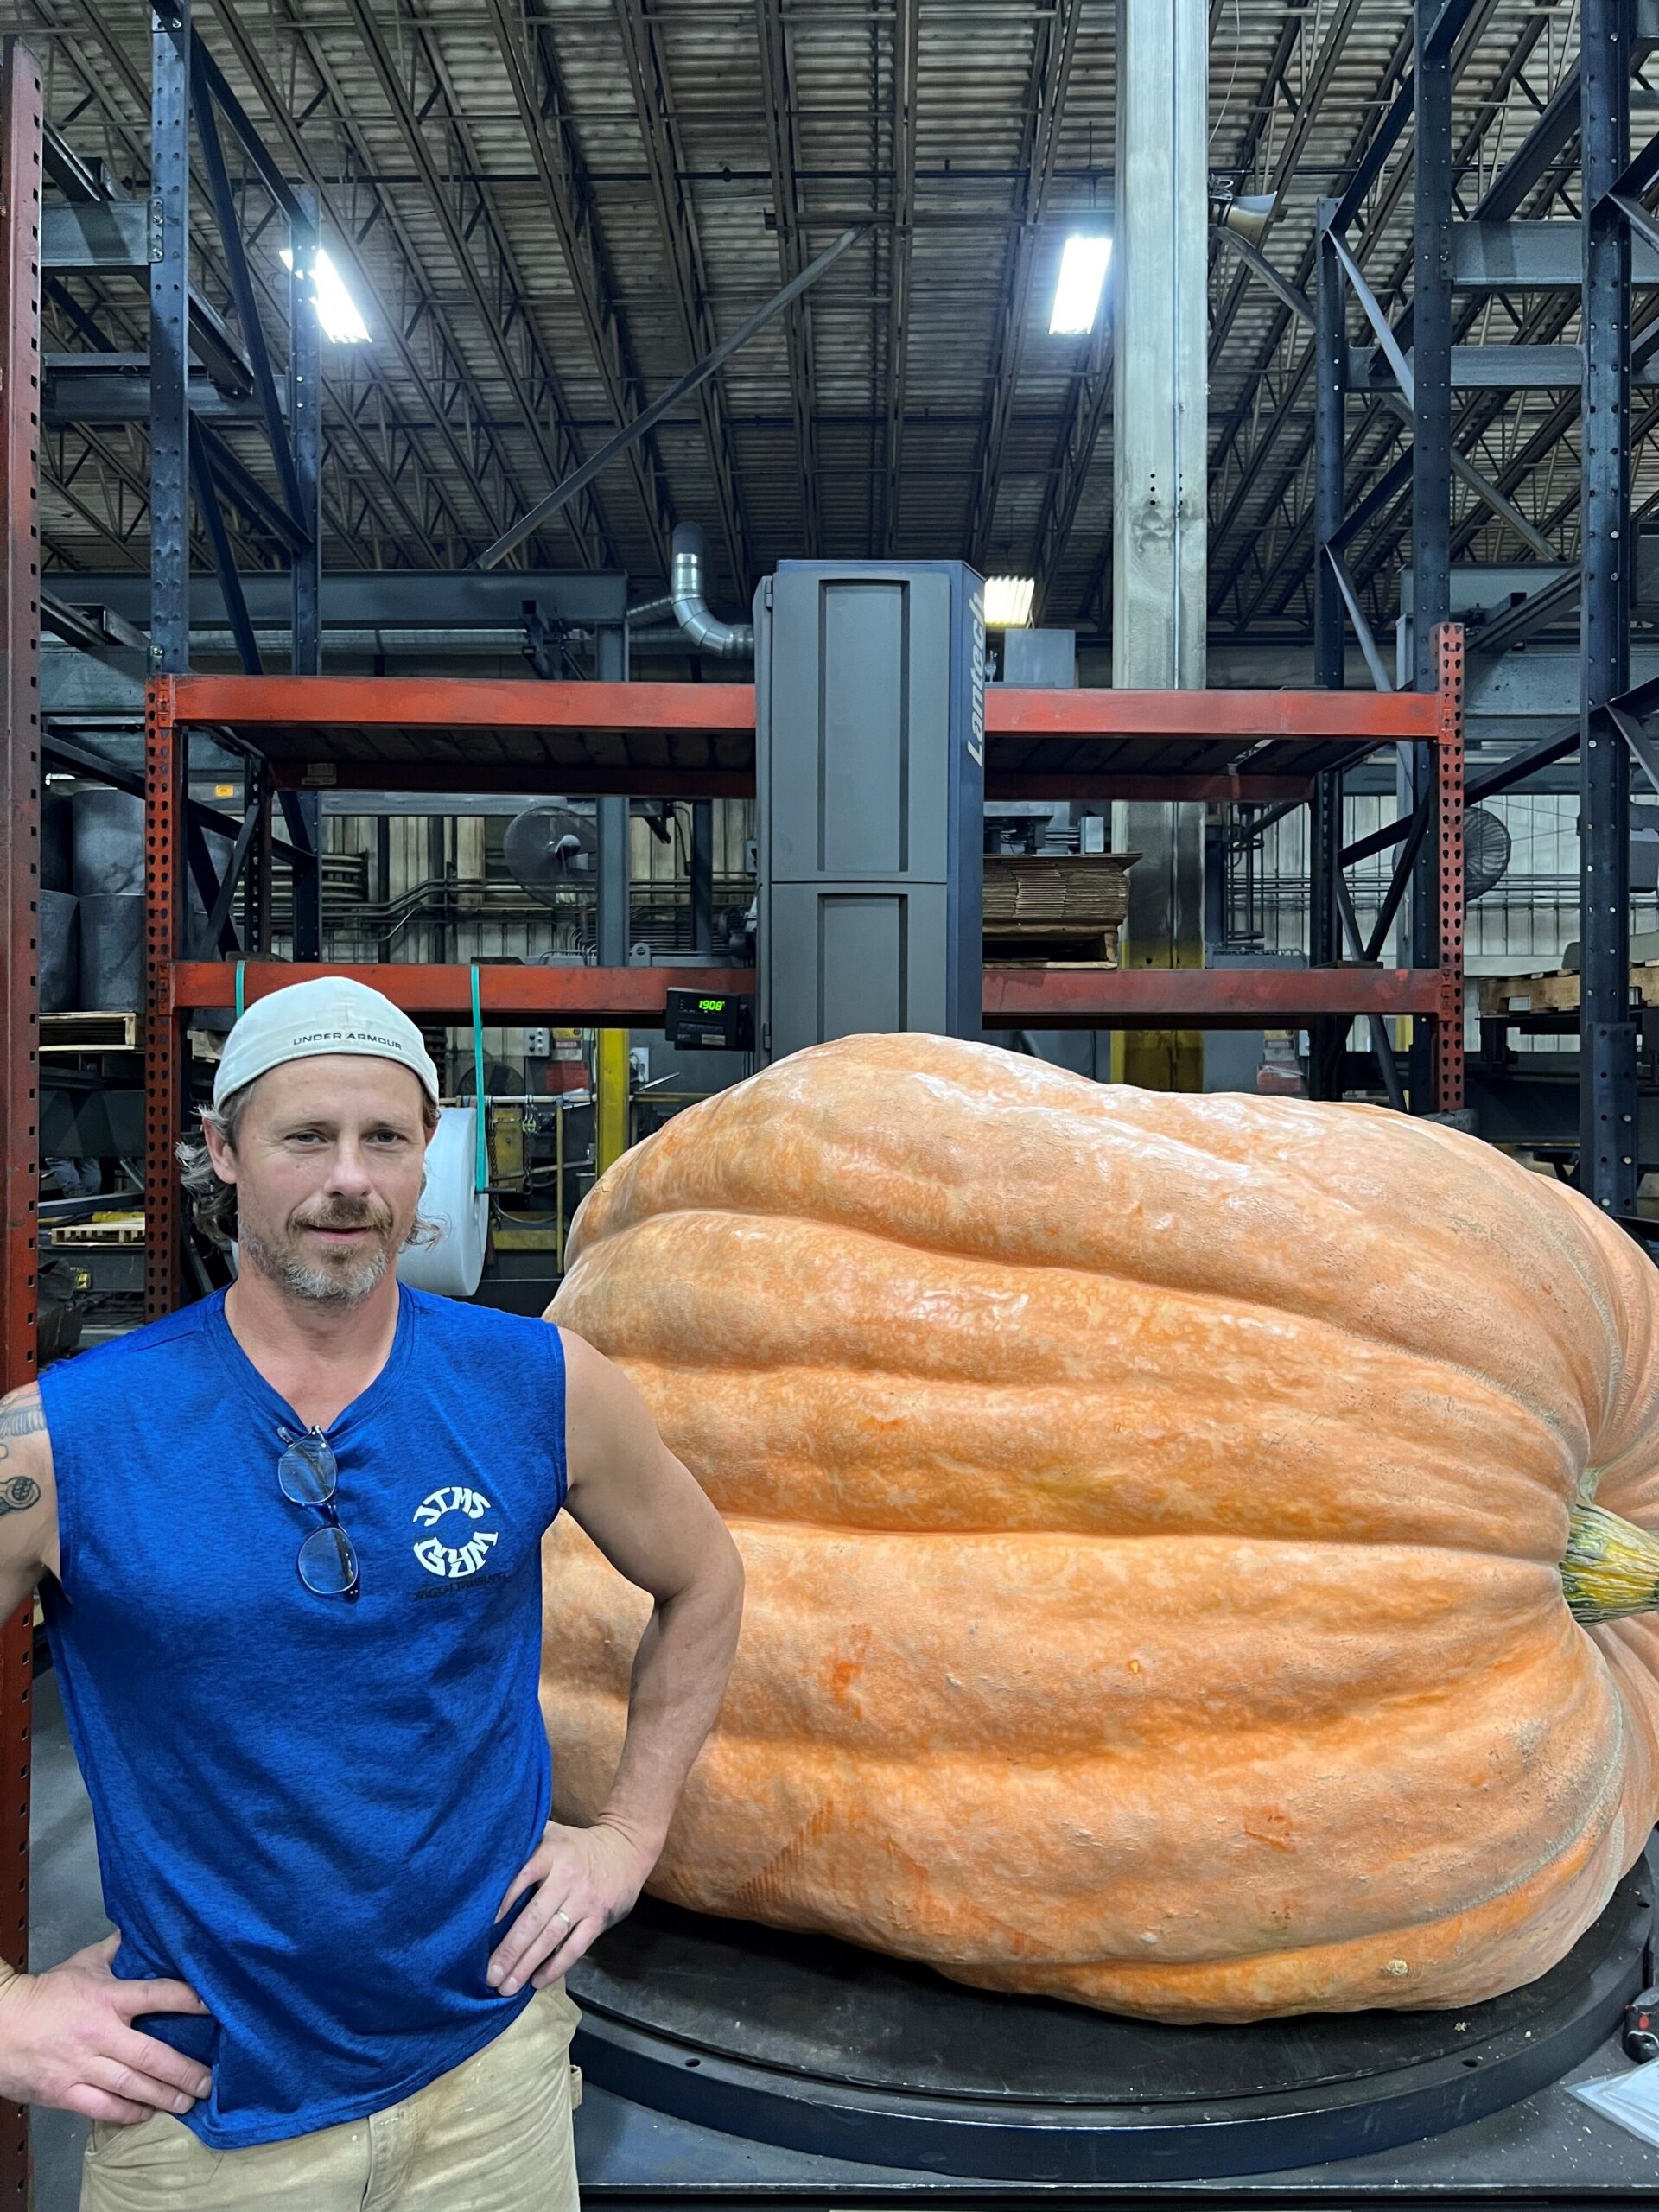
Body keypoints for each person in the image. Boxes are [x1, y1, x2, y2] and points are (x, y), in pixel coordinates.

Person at [0, 976, 744, 2210]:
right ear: (223, 1152)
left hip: (492, 2085)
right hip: (203, 2125)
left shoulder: (541, 1385)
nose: (348, 1178)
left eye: (384, 1139)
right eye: (304, 1138)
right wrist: (9, 2017)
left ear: (426, 1157)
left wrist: (629, 1838)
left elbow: (704, 1576)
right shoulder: (62, 1444)